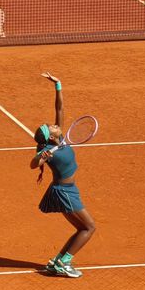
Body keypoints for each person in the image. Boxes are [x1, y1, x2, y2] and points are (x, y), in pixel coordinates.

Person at [31, 72, 96, 279]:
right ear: (51, 136)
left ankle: (57, 262)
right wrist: (43, 156)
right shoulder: (48, 150)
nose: (55, 124)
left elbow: (59, 108)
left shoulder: (60, 139)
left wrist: (58, 85)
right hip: (64, 192)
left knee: (81, 228)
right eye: (52, 126)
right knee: (88, 227)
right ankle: (64, 263)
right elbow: (33, 164)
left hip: (69, 190)